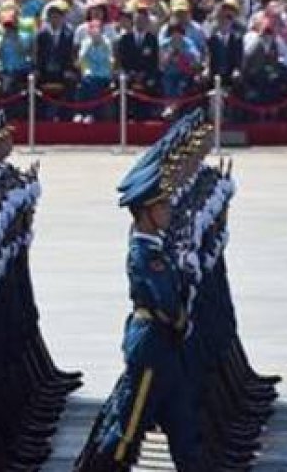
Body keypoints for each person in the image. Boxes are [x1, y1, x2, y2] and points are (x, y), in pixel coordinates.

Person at [75, 116, 205, 471]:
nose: (168, 210)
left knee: (184, 431)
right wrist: (181, 316)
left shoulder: (156, 246)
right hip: (151, 346)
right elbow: (165, 301)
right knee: (127, 430)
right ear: (145, 213)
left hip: (166, 349)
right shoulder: (145, 253)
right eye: (162, 206)